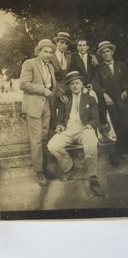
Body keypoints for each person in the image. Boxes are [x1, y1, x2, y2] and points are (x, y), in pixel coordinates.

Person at [47, 71, 103, 196]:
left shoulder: (90, 98)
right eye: (72, 84)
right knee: (52, 145)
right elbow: (60, 117)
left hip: (84, 128)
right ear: (69, 86)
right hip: (68, 129)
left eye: (77, 83)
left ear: (82, 83)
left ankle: (93, 177)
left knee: (91, 142)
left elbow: (95, 117)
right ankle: (68, 166)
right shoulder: (65, 99)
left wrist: (90, 125)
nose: (75, 86)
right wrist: (60, 125)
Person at [19, 38, 57, 186]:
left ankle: (45, 168)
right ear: (39, 51)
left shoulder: (50, 67)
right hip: (34, 107)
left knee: (45, 138)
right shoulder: (30, 64)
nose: (48, 54)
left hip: (47, 106)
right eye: (45, 51)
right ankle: (39, 172)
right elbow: (23, 84)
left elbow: (53, 86)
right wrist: (43, 90)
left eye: (50, 52)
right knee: (36, 139)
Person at [92, 40, 128, 166]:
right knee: (117, 128)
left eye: (108, 51)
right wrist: (104, 94)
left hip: (124, 102)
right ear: (101, 55)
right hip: (110, 104)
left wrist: (126, 89)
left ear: (112, 52)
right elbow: (95, 84)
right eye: (103, 52)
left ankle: (115, 152)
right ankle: (120, 152)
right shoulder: (98, 69)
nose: (106, 54)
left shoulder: (121, 65)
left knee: (125, 125)